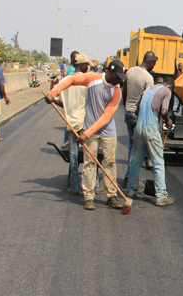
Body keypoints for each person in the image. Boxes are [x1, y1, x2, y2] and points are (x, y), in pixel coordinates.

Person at [46, 60, 127, 211]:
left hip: (107, 130)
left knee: (110, 162)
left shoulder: (117, 91)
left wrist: (86, 134)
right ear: (109, 72)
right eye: (117, 76)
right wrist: (53, 93)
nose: (119, 80)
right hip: (90, 128)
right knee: (90, 163)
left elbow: (106, 117)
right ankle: (89, 196)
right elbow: (70, 79)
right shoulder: (93, 78)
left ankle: (112, 195)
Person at [125, 76, 174, 206]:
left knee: (135, 161)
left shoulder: (146, 91)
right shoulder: (167, 91)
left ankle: (130, 190)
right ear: (170, 86)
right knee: (158, 162)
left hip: (139, 127)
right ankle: (161, 196)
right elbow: (164, 111)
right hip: (151, 128)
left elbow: (136, 110)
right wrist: (168, 120)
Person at [55, 53, 90, 195]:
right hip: (84, 123)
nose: (88, 67)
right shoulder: (86, 82)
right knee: (89, 156)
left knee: (74, 156)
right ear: (82, 65)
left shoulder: (66, 81)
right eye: (87, 65)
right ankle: (89, 185)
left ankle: (75, 186)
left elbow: (61, 102)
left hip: (70, 123)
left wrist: (68, 108)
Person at [123, 51, 157, 184]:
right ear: (151, 62)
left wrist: (127, 107)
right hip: (138, 116)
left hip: (128, 113)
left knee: (132, 145)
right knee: (137, 149)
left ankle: (130, 176)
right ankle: (131, 178)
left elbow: (124, 91)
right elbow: (146, 100)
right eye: (154, 63)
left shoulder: (130, 71)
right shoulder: (148, 78)